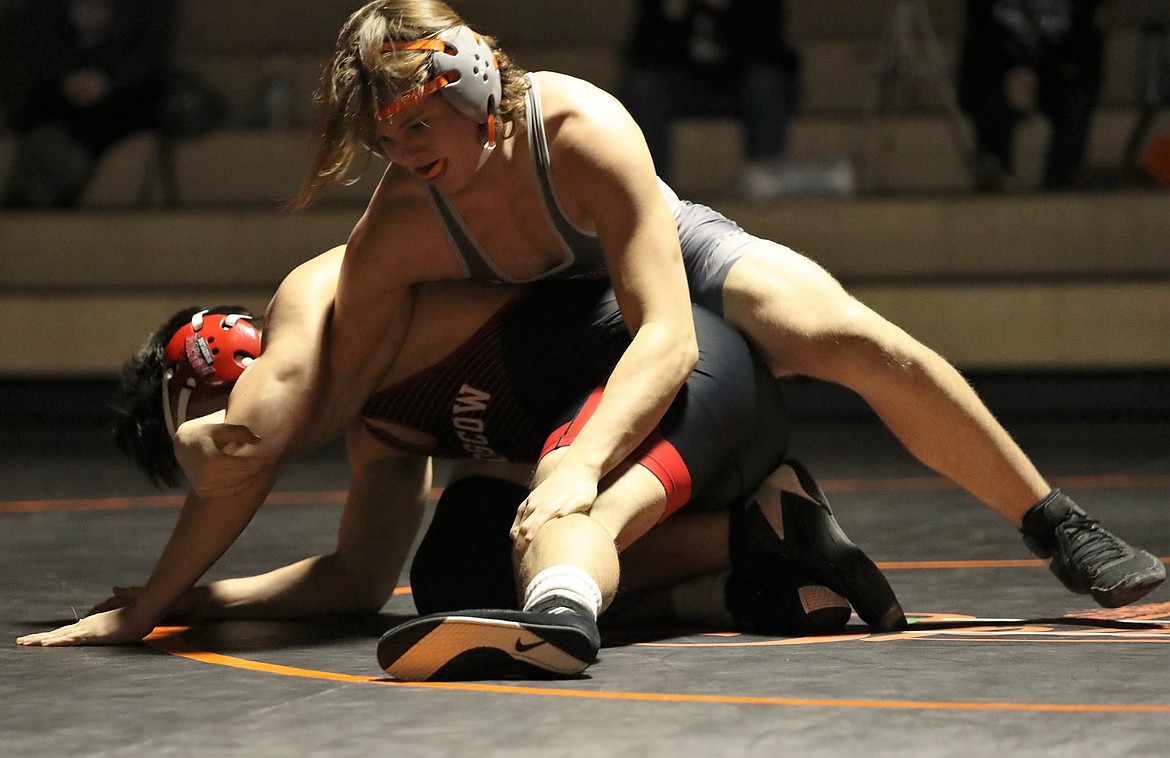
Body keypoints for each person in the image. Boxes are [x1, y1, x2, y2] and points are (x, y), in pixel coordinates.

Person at [280, 0, 1160, 615]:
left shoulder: (580, 129)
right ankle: (751, 549)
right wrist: (247, 441)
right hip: (545, 337)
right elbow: (340, 367)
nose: (402, 153)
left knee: (842, 333)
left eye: (413, 128)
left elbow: (663, 331)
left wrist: (581, 462)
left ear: (471, 86)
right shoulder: (402, 202)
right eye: (382, 139)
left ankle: (1055, 522)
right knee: (470, 569)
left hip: (665, 261)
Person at [17, 245, 905, 682]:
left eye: (208, 435)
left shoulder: (322, 301)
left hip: (677, 377)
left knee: (555, 508)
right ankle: (759, 553)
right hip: (678, 452)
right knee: (455, 569)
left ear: (220, 375)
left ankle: (562, 623)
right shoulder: (379, 429)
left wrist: (158, 598)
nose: (228, 465)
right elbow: (358, 580)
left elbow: (249, 435)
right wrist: (187, 604)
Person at [620, 0, 847, 200]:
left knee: (765, 84)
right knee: (645, 86)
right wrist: (674, 15)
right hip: (686, 85)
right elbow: (644, 56)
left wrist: (722, 9)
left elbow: (767, 49)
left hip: (740, 85)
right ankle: (651, 195)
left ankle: (764, 182)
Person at [0, 0, 178, 207]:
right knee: (44, 137)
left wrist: (107, 78)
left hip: (124, 97)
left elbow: (153, 49)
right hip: (56, 95)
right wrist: (67, 75)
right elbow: (36, 39)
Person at [958, 0, 1108, 191]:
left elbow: (1088, 47)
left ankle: (1063, 179)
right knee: (986, 94)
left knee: (1077, 98)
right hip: (1002, 69)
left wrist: (1049, 72)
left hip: (1056, 72)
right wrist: (1011, 69)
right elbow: (978, 41)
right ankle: (994, 167)